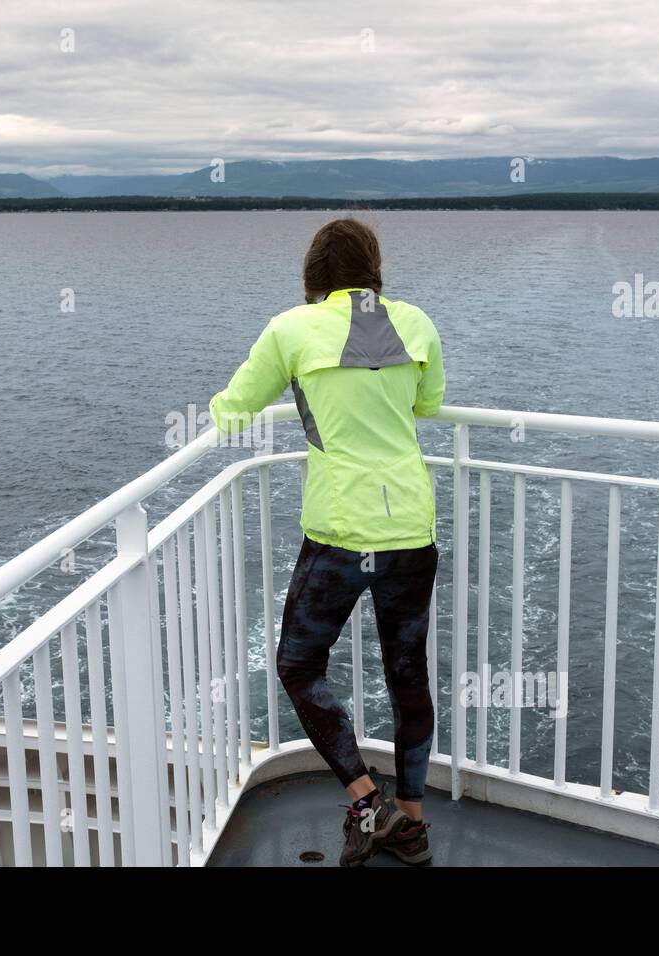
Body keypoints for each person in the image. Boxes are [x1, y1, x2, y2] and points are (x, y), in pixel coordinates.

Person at [208, 218, 445, 866]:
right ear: (375, 271)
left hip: (341, 533)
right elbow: (429, 403)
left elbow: (234, 409)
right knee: (407, 676)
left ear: (314, 276)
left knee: (297, 665)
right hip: (410, 530)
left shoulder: (292, 329)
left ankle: (369, 803)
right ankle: (412, 824)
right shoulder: (417, 323)